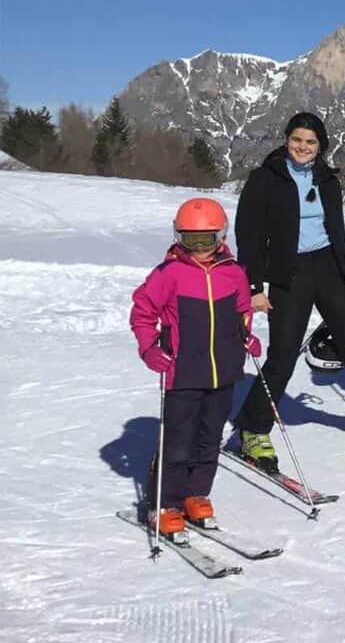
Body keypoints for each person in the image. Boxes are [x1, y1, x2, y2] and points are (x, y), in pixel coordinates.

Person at [232, 112, 345, 472]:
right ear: (286, 139)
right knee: (283, 353)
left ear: (320, 146)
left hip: (329, 268)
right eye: (297, 140)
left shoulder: (327, 179)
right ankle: (253, 428)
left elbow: (334, 229)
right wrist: (254, 285)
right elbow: (248, 234)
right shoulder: (265, 179)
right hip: (288, 272)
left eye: (310, 142)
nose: (303, 147)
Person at [130, 198, 259, 535]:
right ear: (178, 237)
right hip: (183, 372)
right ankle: (164, 503)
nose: (200, 249)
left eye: (207, 240)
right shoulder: (168, 274)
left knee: (209, 437)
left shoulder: (234, 272)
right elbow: (142, 312)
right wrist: (149, 347)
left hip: (225, 371)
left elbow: (243, 310)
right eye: (191, 240)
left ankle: (195, 494)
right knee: (178, 440)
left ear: (222, 237)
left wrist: (246, 336)